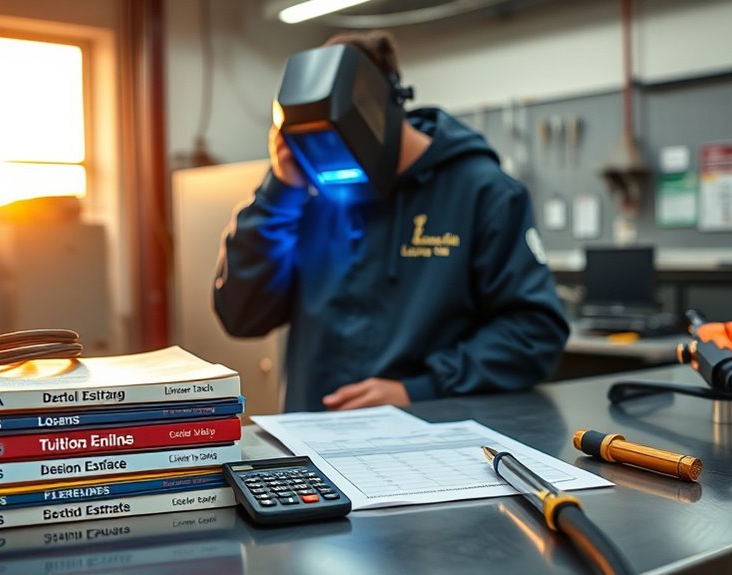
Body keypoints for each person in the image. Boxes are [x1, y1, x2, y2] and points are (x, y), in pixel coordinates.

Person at [213, 30, 568, 412]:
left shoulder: (481, 192)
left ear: (382, 110)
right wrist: (280, 192)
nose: (331, 163)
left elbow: (534, 332)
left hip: (429, 439)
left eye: (338, 141)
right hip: (313, 440)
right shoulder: (307, 194)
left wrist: (419, 388)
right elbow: (241, 315)